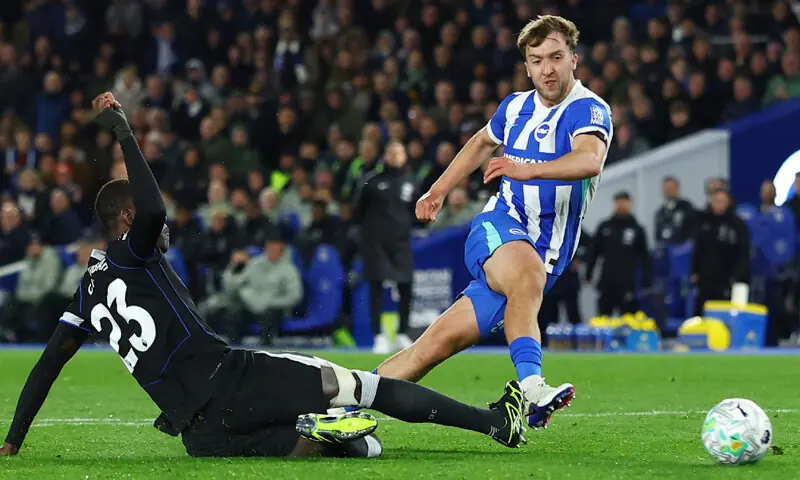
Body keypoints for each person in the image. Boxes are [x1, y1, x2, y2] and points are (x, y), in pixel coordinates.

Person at [0, 94, 525, 459]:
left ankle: (326, 434)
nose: (166, 233)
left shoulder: (88, 291)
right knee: (368, 389)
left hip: (200, 435)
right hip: (233, 379)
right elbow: (155, 213)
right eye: (150, 222)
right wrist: (123, 131)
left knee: (359, 446)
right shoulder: (132, 250)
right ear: (128, 219)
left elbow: (46, 367)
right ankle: (493, 423)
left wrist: (13, 440)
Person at [367, 16, 613, 429]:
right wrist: (439, 190)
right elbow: (482, 142)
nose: (547, 69)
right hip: (498, 227)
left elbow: (589, 159)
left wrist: (526, 169)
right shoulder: (515, 106)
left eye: (555, 57)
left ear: (574, 59)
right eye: (537, 60)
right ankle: (534, 388)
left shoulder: (588, 109)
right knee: (526, 273)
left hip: (545, 256)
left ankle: (343, 402)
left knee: (430, 349)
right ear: (527, 66)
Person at [354, 141, 417, 353]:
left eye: (399, 151)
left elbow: (418, 213)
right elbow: (358, 210)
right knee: (376, 287)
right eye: (391, 151)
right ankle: (379, 336)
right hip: (376, 244)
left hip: (401, 243)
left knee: (406, 287)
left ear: (405, 156)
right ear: (385, 156)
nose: (395, 155)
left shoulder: (412, 182)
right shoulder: (372, 181)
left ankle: (401, 333)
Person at [585, 192, 651, 316]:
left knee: (629, 318)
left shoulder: (637, 229)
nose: (621, 205)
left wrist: (645, 281)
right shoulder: (605, 227)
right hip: (607, 280)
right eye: (618, 202)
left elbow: (645, 257)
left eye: (624, 202)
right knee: (603, 317)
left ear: (630, 204)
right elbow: (594, 252)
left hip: (627, 282)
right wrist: (589, 273)